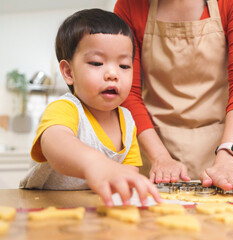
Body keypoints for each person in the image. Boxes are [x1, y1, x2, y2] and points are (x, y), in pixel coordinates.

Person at [20, 8, 162, 207]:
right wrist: (94, 163)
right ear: (69, 72)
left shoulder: (128, 122)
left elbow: (128, 173)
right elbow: (54, 143)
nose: (113, 73)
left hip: (94, 212)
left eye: (124, 66)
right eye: (97, 63)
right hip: (47, 209)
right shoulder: (66, 108)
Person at [114, 0, 233, 192]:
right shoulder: (130, 5)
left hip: (222, 158)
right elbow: (127, 93)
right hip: (154, 157)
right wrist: (160, 158)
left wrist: (229, 156)